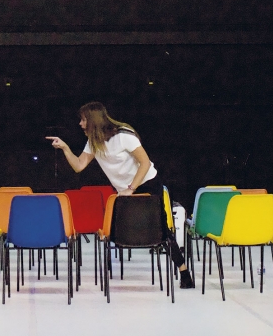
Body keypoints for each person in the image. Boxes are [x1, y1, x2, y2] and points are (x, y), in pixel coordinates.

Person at [46, 101, 195, 289]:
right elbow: (79, 166)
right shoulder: (93, 142)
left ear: (93, 120)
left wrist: (131, 188)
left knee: (162, 231)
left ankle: (184, 272)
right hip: (125, 191)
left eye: (83, 120)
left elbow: (145, 163)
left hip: (147, 183)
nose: (80, 124)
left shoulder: (124, 135)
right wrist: (65, 148)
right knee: (118, 231)